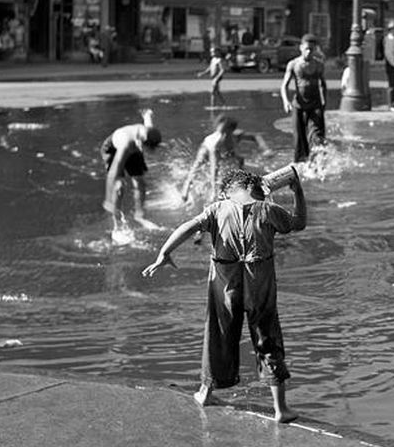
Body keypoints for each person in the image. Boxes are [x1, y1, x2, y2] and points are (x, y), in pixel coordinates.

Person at [142, 168, 306, 423]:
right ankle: (280, 409)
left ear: (231, 189)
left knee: (217, 334)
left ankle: (206, 392)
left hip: (224, 285)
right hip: (259, 286)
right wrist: (298, 191)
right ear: (255, 188)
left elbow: (187, 226)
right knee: (267, 338)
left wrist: (164, 253)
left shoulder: (217, 209)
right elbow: (299, 223)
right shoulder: (268, 210)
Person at [181, 114, 273, 202]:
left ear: (231, 131)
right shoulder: (215, 143)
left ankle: (242, 182)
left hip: (226, 151)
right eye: (221, 132)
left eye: (225, 133)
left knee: (239, 159)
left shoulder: (236, 136)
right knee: (198, 165)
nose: (223, 136)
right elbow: (214, 167)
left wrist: (265, 148)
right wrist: (214, 190)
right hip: (208, 149)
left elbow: (255, 136)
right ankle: (186, 186)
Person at [101, 108, 162, 232]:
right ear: (141, 144)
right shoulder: (126, 144)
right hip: (112, 149)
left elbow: (148, 119)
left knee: (140, 183)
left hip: (134, 148)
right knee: (119, 187)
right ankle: (116, 223)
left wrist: (147, 114)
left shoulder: (149, 132)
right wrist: (108, 199)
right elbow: (113, 172)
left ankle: (139, 216)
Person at [280, 33, 327, 162]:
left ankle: (317, 163)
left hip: (315, 104)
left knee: (316, 136)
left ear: (315, 49)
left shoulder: (319, 65)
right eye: (306, 48)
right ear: (301, 48)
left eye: (311, 49)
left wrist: (324, 102)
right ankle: (301, 163)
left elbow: (323, 84)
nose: (308, 52)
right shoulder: (293, 64)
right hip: (299, 105)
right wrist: (286, 101)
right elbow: (284, 85)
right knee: (299, 139)